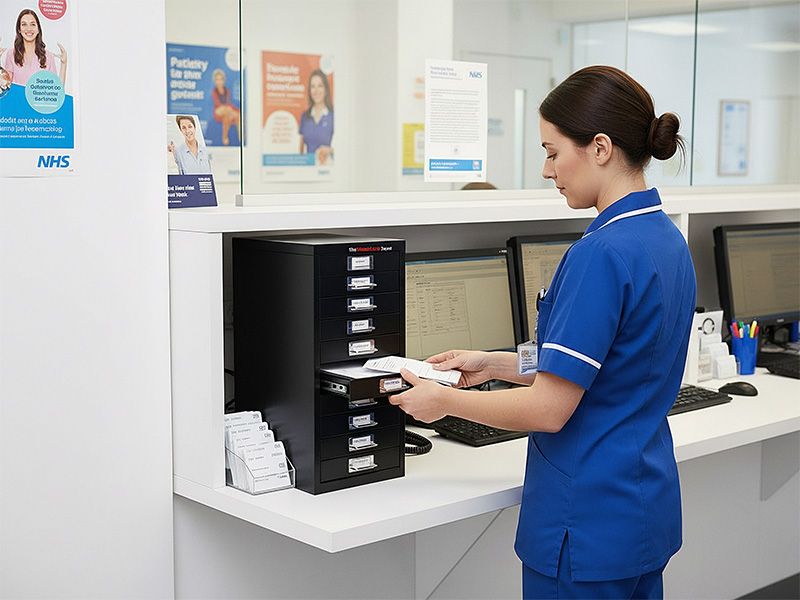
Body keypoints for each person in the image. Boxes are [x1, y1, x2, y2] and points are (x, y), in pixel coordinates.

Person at [389, 65, 695, 600]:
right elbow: (610, 361)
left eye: (554, 152)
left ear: (599, 148)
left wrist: (443, 402)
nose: (548, 169)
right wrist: (498, 363)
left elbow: (548, 410)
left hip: (585, 522)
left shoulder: (600, 254)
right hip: (640, 510)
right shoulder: (665, 239)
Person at [0, 9, 67, 86]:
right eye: (24, 24)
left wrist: (64, 64)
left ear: (38, 29)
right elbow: (5, 86)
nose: (29, 29)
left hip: (40, 98)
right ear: (19, 29)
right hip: (17, 97)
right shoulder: (11, 54)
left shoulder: (48, 56)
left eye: (32, 24)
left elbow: (56, 92)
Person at [298, 69, 333, 165]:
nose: (316, 90)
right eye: (313, 86)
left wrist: (330, 150)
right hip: (308, 171)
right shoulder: (304, 117)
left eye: (320, 86)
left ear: (326, 89)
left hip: (327, 170)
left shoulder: (333, 116)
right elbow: (300, 151)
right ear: (309, 91)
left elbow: (343, 148)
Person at [211, 68, 240, 146]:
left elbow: (228, 103)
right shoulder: (214, 91)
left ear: (223, 80)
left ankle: (238, 136)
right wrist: (228, 108)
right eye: (217, 79)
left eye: (221, 79)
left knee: (236, 115)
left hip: (226, 111)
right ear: (215, 81)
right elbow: (217, 104)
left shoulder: (227, 90)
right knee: (228, 111)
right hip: (218, 111)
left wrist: (236, 110)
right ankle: (225, 137)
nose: (219, 81)